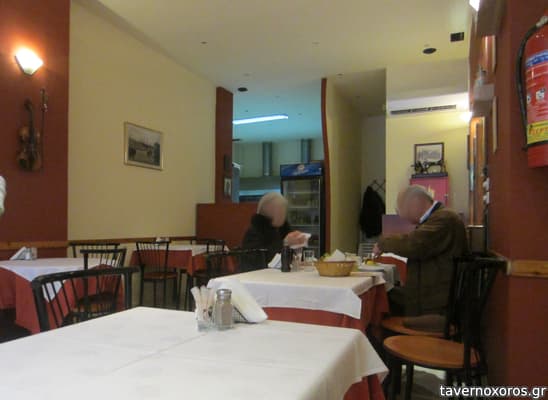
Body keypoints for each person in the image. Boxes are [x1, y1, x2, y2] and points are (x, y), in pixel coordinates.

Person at [373, 185, 468, 318]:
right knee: (381, 293)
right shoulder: (440, 217)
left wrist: (383, 243)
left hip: (436, 304)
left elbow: (414, 244)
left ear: (415, 203)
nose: (404, 218)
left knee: (377, 300)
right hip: (431, 295)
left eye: (403, 210)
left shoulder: (445, 219)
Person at [242, 192, 306, 264]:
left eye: (284, 210)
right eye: (280, 210)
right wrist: (285, 243)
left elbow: (297, 259)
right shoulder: (254, 232)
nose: (284, 214)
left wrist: (298, 245)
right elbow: (258, 260)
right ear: (268, 211)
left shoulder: (284, 228)